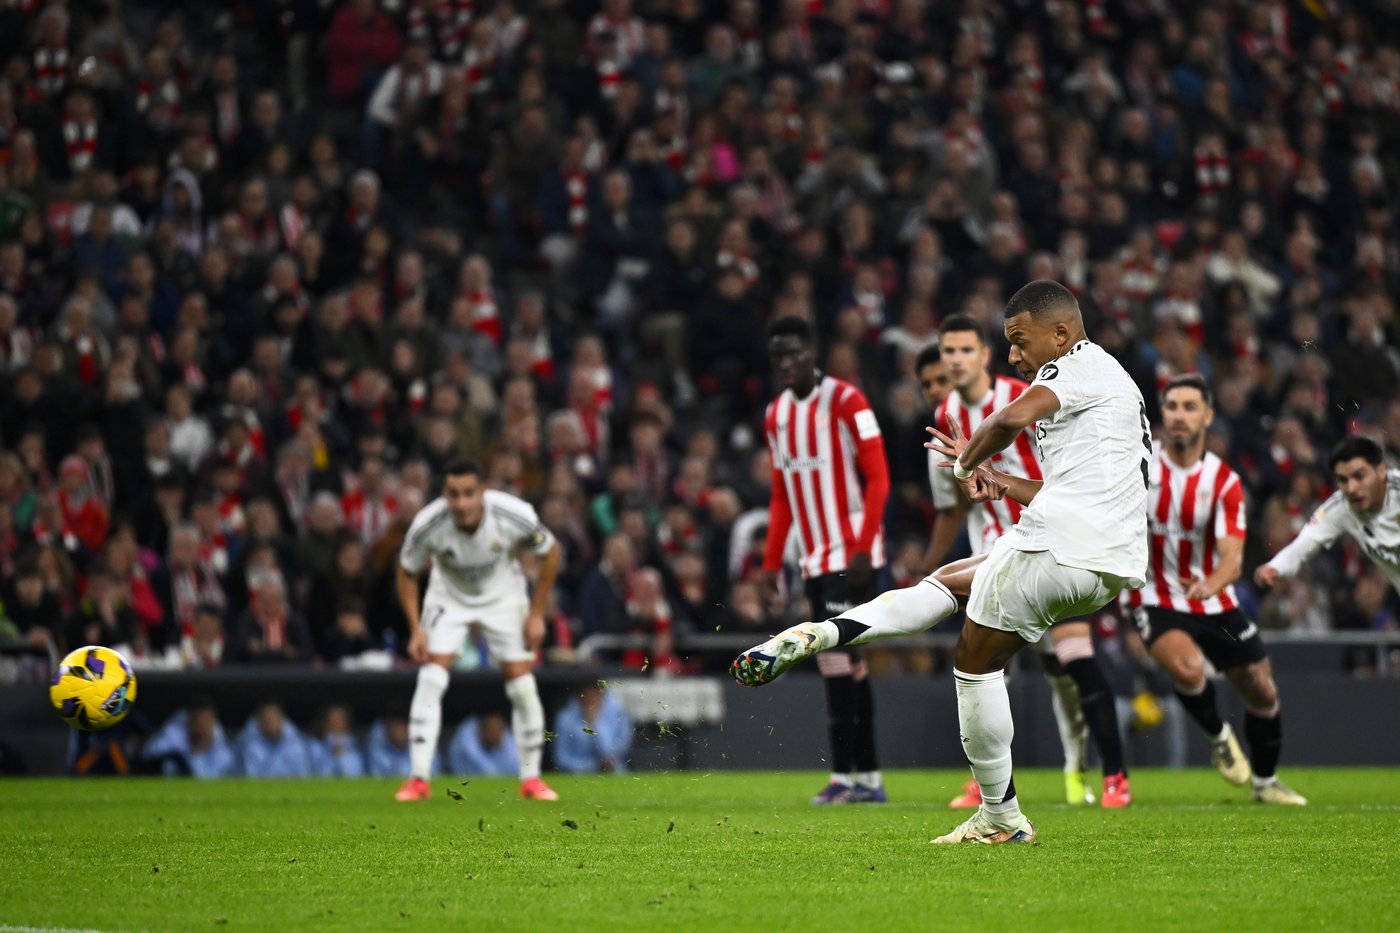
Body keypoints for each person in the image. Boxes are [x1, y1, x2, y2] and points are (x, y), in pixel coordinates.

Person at [734, 280, 1150, 844]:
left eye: (1019, 340)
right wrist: (997, 478)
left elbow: (1004, 422)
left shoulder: (1073, 365)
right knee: (950, 582)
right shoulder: (1112, 384)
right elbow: (1060, 490)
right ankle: (821, 634)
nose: (1013, 356)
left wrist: (965, 466)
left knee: (974, 660)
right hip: (1108, 557)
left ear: (1060, 333)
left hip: (1065, 545)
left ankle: (999, 816)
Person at [923, 318, 1129, 810]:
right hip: (995, 553)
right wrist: (929, 565)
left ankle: (1110, 774)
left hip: (1053, 544)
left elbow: (1062, 473)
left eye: (965, 349)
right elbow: (953, 506)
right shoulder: (946, 415)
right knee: (985, 665)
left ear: (983, 355)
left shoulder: (1027, 394)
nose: (955, 359)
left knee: (1073, 662)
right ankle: (985, 783)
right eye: (948, 350)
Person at [1124, 375, 1306, 805]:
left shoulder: (1223, 482)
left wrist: (1211, 583)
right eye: (1172, 407)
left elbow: (1233, 557)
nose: (1179, 416)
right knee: (1189, 670)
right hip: (1155, 595)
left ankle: (1265, 783)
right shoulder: (1139, 467)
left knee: (1261, 688)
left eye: (1190, 407)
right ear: (1162, 414)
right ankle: (1219, 736)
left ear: (1207, 416)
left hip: (1214, 597)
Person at [760, 315, 891, 805]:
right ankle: (864, 779)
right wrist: (771, 563)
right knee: (843, 667)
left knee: (839, 664)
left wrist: (862, 546)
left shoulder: (846, 400)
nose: (787, 363)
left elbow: (879, 478)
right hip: (814, 559)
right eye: (778, 355)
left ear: (812, 351)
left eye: (794, 352)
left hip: (850, 554)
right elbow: (781, 494)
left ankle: (849, 777)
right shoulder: (776, 414)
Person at [394, 457, 563, 801]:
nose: (462, 503)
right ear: (444, 494)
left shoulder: (513, 513)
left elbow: (551, 551)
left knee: (522, 684)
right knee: (431, 677)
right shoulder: (428, 524)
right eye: (453, 494)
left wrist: (536, 613)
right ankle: (419, 778)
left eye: (469, 493)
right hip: (449, 596)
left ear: (482, 492)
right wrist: (415, 628)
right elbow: (406, 570)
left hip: (503, 595)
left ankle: (531, 779)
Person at [1256, 435, 1400, 596]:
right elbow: (1303, 543)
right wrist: (1276, 566)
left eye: (1360, 476)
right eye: (1345, 480)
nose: (1352, 488)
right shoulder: (1339, 507)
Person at [552, 683, 633, 774]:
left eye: (595, 698)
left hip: (612, 771)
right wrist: (591, 766)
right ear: (580, 698)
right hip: (577, 773)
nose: (591, 702)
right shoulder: (565, 719)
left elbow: (611, 753)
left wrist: (595, 723)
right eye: (587, 698)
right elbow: (561, 758)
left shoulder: (618, 714)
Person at [236, 702, 312, 778]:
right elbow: (252, 779)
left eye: (274, 719)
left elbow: (303, 777)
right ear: (259, 724)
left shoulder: (296, 747)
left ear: (282, 721)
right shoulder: (252, 748)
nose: (271, 724)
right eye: (267, 720)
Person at [448, 712, 518, 776]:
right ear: (483, 730)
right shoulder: (466, 739)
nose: (496, 734)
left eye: (499, 730)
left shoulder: (507, 738)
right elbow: (488, 772)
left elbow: (515, 765)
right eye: (492, 730)